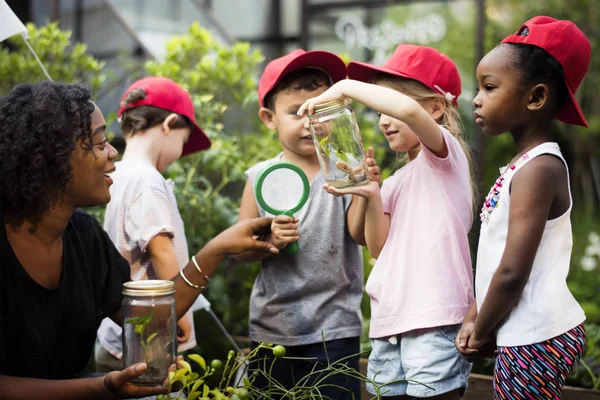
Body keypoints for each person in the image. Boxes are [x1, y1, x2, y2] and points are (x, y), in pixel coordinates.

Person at [0, 81, 277, 399]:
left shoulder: (85, 239)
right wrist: (102, 386)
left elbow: (147, 320)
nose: (113, 152)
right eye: (100, 141)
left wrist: (216, 250)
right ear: (52, 155)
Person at [299, 44, 474, 399]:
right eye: (379, 109)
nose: (383, 119)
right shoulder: (394, 181)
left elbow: (408, 111)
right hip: (389, 324)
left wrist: (345, 87)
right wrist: (372, 194)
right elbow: (379, 246)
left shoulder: (446, 157)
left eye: (386, 105)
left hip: (433, 320)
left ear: (436, 108)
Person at [455, 16, 589, 399]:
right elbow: (497, 256)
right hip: (524, 333)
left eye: (490, 87)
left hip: (537, 336)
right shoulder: (523, 165)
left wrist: (481, 333)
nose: (476, 99)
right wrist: (475, 313)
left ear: (535, 97)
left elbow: (513, 271)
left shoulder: (540, 168)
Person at [235, 49, 366, 399]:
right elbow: (240, 251)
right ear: (269, 117)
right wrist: (269, 239)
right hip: (273, 328)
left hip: (335, 329)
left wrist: (368, 191)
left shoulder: (345, 171)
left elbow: (361, 236)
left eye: (319, 110)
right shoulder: (260, 176)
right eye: (296, 112)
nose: (311, 122)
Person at [95, 76, 211, 372]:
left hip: (120, 327)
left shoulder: (116, 173)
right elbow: (160, 251)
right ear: (169, 123)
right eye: (183, 143)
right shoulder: (148, 180)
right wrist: (178, 310)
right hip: (148, 337)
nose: (179, 154)